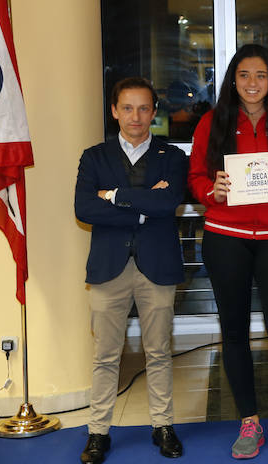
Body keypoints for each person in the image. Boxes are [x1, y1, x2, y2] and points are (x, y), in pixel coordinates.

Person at [187, 44, 268, 458]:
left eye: (260, 75)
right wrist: (212, 191)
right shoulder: (213, 121)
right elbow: (196, 175)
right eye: (244, 75)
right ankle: (249, 421)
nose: (252, 83)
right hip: (225, 236)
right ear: (233, 79)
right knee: (235, 331)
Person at [74, 77, 187, 464]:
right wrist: (144, 203)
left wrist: (117, 196)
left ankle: (164, 425)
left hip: (158, 264)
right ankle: (98, 432)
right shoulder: (94, 157)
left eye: (143, 108)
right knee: (106, 355)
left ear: (154, 112)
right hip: (109, 267)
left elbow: (168, 203)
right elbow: (85, 209)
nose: (135, 116)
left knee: (158, 352)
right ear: (113, 111)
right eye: (127, 108)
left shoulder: (172, 157)